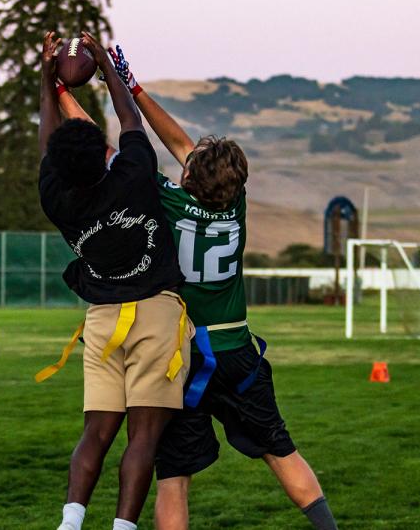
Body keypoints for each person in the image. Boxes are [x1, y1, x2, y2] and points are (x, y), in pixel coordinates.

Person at [107, 47, 340, 530]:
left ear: (189, 177)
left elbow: (109, 152)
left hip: (181, 355)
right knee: (280, 450)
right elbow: (183, 145)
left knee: (173, 477)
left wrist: (88, 90)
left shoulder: (168, 201)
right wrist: (137, 88)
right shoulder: (236, 204)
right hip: (236, 350)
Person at [38, 32, 191, 530]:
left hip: (102, 321)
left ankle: (70, 521)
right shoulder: (132, 175)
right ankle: (122, 527)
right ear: (103, 158)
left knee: (95, 433)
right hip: (156, 312)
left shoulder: (56, 199)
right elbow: (129, 122)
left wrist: (48, 81)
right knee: (143, 437)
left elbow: (47, 148)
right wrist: (105, 66)